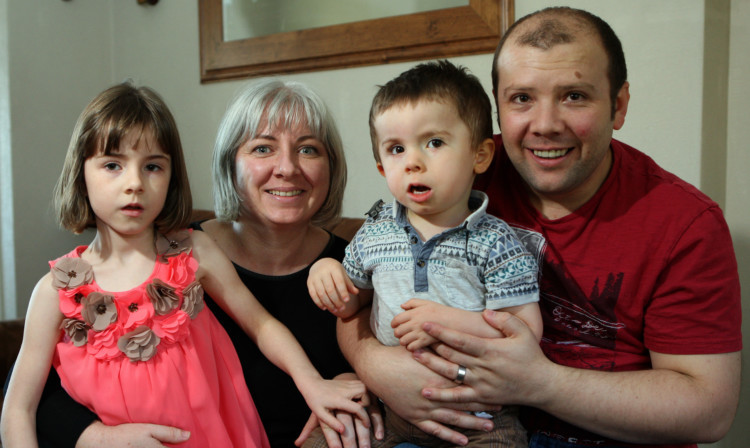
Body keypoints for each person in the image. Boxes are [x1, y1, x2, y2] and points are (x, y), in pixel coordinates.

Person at [337, 6, 742, 448]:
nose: (545, 126)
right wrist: (373, 364)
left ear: (618, 105)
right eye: (522, 99)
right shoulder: (455, 172)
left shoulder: (683, 223)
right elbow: (363, 287)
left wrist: (540, 383)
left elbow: (708, 410)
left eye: (574, 96)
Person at [0, 82, 368, 448]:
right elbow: (19, 404)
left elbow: (263, 325)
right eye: (113, 165)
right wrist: (94, 437)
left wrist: (327, 386)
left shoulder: (193, 253)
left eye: (153, 167)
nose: (134, 184)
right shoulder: (55, 291)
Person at [306, 60, 541, 447]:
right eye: (396, 149)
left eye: (434, 142)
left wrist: (448, 321)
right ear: (383, 168)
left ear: (479, 156)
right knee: (324, 437)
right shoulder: (375, 232)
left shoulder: (496, 241)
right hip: (387, 405)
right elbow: (352, 306)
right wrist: (326, 270)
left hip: (478, 416)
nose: (413, 160)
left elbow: (527, 332)